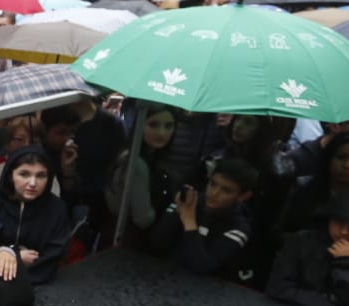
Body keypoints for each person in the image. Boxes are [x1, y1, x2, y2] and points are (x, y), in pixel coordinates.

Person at [149, 158, 258, 282]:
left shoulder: (239, 228)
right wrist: (178, 212)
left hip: (207, 290)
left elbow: (201, 266)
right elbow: (157, 242)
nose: (214, 193)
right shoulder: (189, 201)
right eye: (213, 184)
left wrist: (189, 220)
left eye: (226, 190)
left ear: (243, 196)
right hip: (166, 276)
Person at [0, 146, 71, 284]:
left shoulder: (56, 209)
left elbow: (54, 253)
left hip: (41, 282)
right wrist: (14, 256)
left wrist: (17, 267)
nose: (32, 183)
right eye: (24, 174)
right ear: (10, 175)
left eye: (41, 176)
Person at [106, 104, 180, 243]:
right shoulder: (136, 164)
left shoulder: (142, 156)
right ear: (140, 125)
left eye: (169, 126)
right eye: (154, 125)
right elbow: (143, 220)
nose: (161, 133)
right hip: (128, 241)